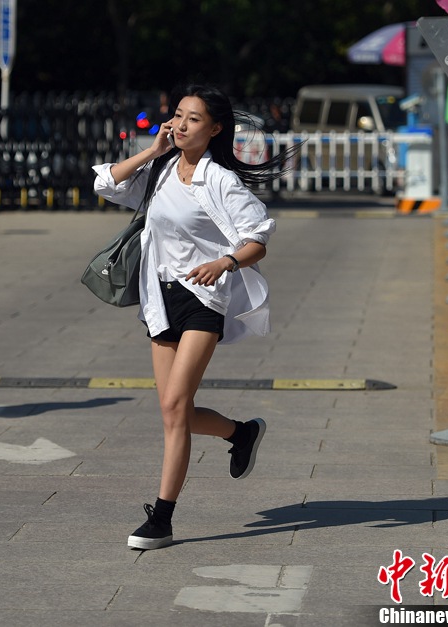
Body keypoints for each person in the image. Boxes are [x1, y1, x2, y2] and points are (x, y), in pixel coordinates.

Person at [92, 84, 298, 551]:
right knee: (174, 412)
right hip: (158, 298)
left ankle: (161, 518)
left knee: (173, 407)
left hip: (205, 299)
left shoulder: (220, 180)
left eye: (193, 119)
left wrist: (225, 263)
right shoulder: (160, 169)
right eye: (178, 116)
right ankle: (240, 432)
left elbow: (257, 239)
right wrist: (152, 149)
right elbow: (106, 183)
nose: (181, 125)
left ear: (216, 129)